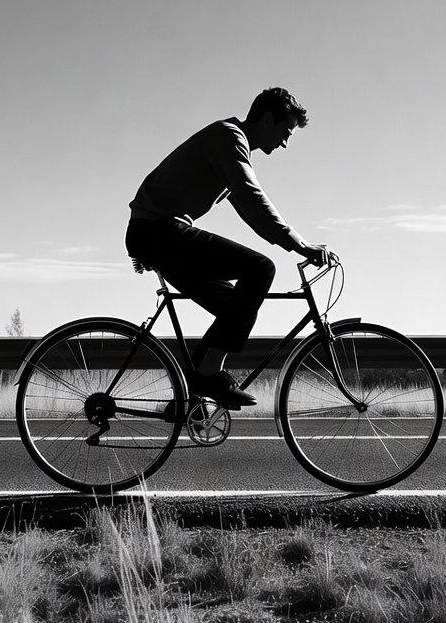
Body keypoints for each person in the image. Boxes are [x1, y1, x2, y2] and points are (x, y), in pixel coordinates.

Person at [125, 87, 330, 408]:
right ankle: (209, 377)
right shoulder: (228, 137)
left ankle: (190, 398)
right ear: (266, 119)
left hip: (154, 232)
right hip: (160, 230)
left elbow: (248, 210)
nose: (286, 142)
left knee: (235, 308)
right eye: (285, 131)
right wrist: (300, 245)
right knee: (260, 269)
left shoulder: (230, 145)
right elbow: (251, 196)